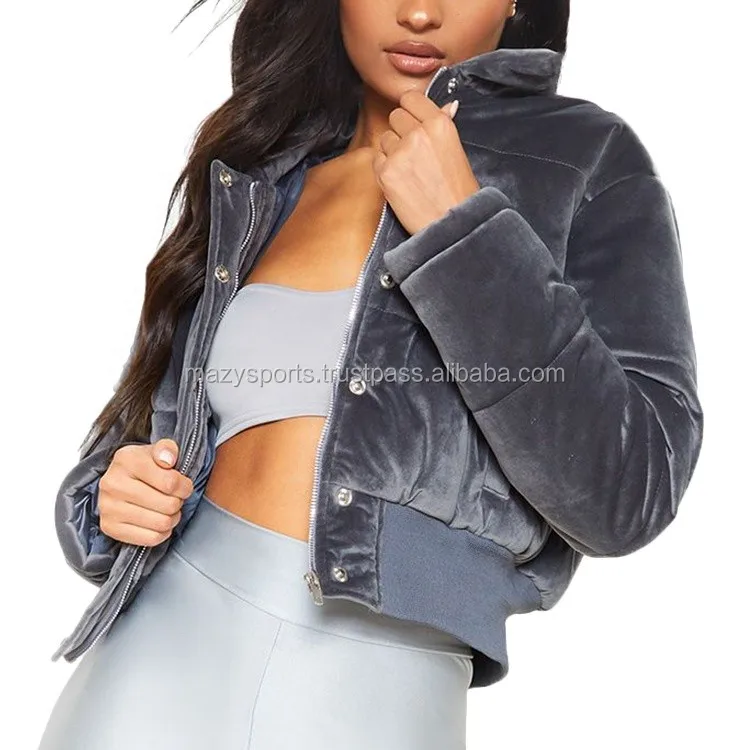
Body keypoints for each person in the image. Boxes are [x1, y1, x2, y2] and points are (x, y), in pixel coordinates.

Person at [39, 1, 704, 748]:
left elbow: (630, 492)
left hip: (377, 685)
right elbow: (149, 428)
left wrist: (461, 229)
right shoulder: (261, 176)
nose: (419, 13)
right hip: (152, 655)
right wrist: (121, 491)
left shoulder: (585, 160)